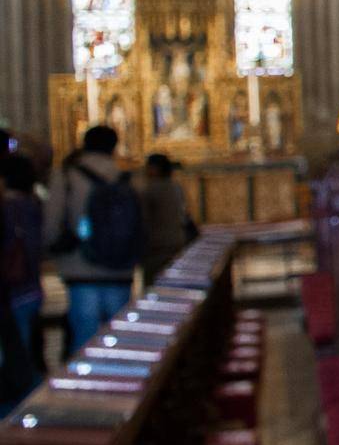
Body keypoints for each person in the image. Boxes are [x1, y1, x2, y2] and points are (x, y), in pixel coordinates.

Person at [44, 125, 142, 352]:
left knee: (85, 341)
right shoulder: (126, 177)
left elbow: (51, 222)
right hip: (120, 268)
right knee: (119, 338)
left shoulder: (67, 176)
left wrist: (53, 249)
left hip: (80, 267)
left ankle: (86, 386)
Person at [0, 153, 43, 405]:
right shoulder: (33, 202)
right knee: (22, 349)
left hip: (11, 289)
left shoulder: (7, 206)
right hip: (31, 286)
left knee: (14, 355)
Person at [138, 153, 195, 279]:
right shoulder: (176, 187)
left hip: (157, 248)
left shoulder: (150, 190)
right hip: (177, 242)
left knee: (155, 287)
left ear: (154, 169)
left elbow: (143, 219)